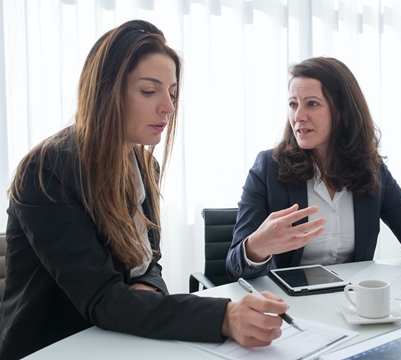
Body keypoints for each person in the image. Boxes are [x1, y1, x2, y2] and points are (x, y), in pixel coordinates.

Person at [0, 20, 288, 360]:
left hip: (118, 340)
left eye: (172, 93)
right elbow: (102, 297)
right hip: (54, 347)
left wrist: (144, 291)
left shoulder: (143, 165)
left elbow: (148, 264)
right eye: (149, 91)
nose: (168, 106)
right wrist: (224, 316)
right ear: (105, 92)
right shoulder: (48, 170)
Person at [226, 56, 401, 285]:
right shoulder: (267, 168)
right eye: (293, 104)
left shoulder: (372, 170)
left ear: (342, 111)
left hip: (354, 303)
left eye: (312, 103)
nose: (298, 116)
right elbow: (235, 266)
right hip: (289, 304)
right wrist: (256, 247)